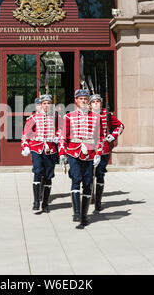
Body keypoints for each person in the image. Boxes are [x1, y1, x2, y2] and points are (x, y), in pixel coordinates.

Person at [58, 89, 104, 229]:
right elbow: (63, 137)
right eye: (81, 99)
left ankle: (84, 215)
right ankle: (77, 213)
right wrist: (61, 154)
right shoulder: (69, 117)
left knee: (88, 183)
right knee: (76, 179)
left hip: (90, 153)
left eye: (86, 99)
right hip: (74, 151)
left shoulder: (96, 118)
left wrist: (98, 153)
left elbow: (100, 137)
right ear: (76, 101)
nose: (83, 101)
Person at [21, 94, 59, 213]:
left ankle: (46, 203)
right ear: (41, 105)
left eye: (49, 103)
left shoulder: (55, 117)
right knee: (37, 172)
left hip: (50, 149)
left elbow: (62, 131)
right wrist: (26, 146)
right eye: (44, 103)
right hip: (37, 148)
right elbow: (25, 134)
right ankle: (36, 201)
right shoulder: (33, 118)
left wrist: (58, 137)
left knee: (48, 176)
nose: (47, 105)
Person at [89, 94, 124, 212]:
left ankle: (98, 202)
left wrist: (112, 136)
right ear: (90, 104)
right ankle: (90, 196)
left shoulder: (106, 114)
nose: (96, 104)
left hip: (104, 148)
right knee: (88, 174)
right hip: (89, 148)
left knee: (100, 174)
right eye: (93, 102)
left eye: (98, 101)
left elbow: (120, 126)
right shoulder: (85, 114)